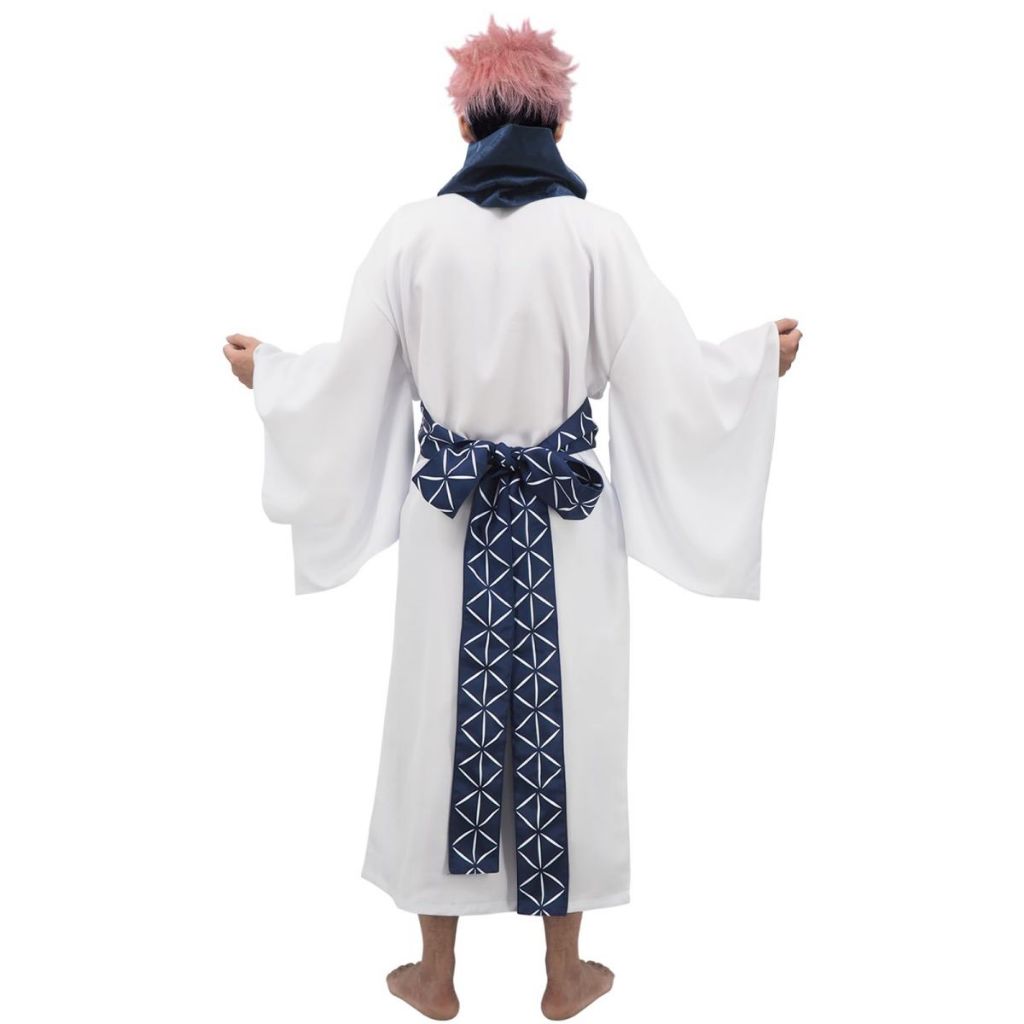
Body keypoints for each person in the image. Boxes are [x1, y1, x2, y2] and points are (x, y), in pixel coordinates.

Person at [223, 15, 801, 1021]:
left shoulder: (411, 235)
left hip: (448, 528)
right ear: (559, 124)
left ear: (464, 123)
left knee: (430, 727)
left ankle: (435, 973)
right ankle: (564, 973)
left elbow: (350, 381)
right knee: (570, 728)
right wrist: (758, 363)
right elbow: (671, 375)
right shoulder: (597, 237)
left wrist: (268, 375)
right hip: (564, 533)